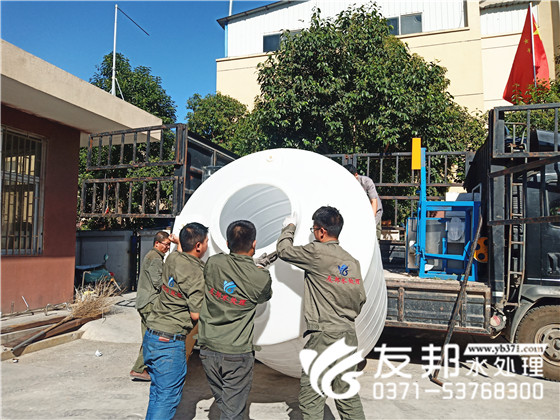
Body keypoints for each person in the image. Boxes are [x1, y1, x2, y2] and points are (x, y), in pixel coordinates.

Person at [276, 206, 366, 420]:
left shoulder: (316, 252)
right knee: (346, 394)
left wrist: (289, 227)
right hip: (348, 335)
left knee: (312, 396)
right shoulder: (352, 262)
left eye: (313, 229)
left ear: (322, 231)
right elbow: (361, 298)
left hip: (324, 336)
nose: (314, 233)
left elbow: (284, 251)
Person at [198, 220, 274, 420]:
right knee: (232, 412)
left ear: (227, 242)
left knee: (226, 405)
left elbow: (229, 270)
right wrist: (258, 267)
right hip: (236, 353)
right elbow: (263, 296)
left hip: (208, 349)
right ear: (254, 243)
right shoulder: (261, 278)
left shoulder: (213, 263)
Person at [142, 223, 208, 420]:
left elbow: (181, 251)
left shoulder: (172, 258)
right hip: (169, 342)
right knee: (166, 399)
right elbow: (196, 314)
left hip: (152, 336)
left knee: (157, 394)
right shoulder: (196, 273)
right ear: (198, 246)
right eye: (206, 242)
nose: (207, 245)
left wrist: (180, 240)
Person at [130, 231, 172, 381]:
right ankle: (138, 369)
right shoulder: (155, 258)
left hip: (144, 302)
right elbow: (158, 283)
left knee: (147, 336)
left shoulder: (152, 256)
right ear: (157, 243)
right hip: (150, 302)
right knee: (152, 337)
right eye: (166, 244)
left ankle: (143, 368)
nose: (168, 247)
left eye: (169, 245)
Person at [343, 164, 383, 239]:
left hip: (374, 211)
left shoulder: (367, 182)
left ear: (356, 175)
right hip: (360, 213)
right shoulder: (345, 184)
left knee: (372, 236)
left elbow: (374, 201)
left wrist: (371, 221)